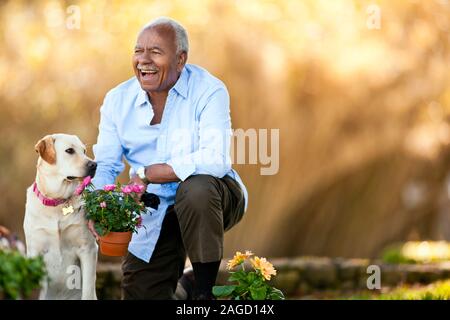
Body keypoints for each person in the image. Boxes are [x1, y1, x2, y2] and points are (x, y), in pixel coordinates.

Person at [90, 17, 248, 300]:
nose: (143, 60)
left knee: (195, 188)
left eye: (155, 52)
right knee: (142, 293)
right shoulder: (117, 100)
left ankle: (203, 293)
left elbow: (216, 159)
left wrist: (151, 173)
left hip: (215, 199)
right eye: (138, 51)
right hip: (154, 209)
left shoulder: (209, 90)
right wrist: (99, 206)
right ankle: (184, 288)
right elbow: (106, 164)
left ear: (180, 59)